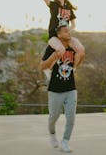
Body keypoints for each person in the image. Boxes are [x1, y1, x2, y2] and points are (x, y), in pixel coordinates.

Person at [40, 23, 83, 152]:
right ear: (58, 35)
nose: (69, 33)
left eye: (69, 31)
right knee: (54, 117)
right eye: (65, 31)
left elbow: (78, 63)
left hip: (71, 89)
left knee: (71, 117)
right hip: (55, 90)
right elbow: (42, 66)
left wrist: (79, 60)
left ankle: (65, 141)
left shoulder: (73, 48)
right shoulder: (52, 48)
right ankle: (52, 134)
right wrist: (54, 56)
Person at [42, 0, 85, 72]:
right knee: (61, 50)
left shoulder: (69, 9)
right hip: (54, 36)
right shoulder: (54, 5)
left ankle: (72, 69)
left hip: (65, 37)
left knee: (81, 51)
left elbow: (74, 25)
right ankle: (48, 69)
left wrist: (66, 31)